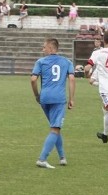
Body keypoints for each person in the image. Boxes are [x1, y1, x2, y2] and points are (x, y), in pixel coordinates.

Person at [30, 38, 75, 168]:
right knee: (55, 128)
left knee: (55, 127)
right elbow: (71, 79)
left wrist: (36, 95)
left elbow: (33, 80)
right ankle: (42, 159)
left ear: (51, 48)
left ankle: (62, 157)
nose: (42, 49)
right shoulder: (67, 62)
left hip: (44, 98)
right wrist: (71, 98)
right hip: (58, 99)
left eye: (44, 47)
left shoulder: (40, 62)